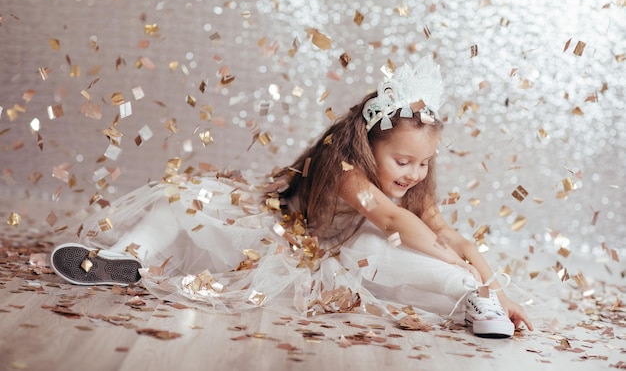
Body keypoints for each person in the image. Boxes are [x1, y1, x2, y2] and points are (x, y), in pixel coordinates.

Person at [51, 56, 533, 338]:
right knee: (182, 201)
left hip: (354, 260)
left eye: (423, 162)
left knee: (398, 252)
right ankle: (123, 258)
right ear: (369, 145)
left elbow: (449, 234)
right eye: (402, 162)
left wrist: (491, 282)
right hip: (289, 244)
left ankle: (478, 300)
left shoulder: (417, 182)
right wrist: (445, 249)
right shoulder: (344, 168)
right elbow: (390, 220)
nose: (414, 173)